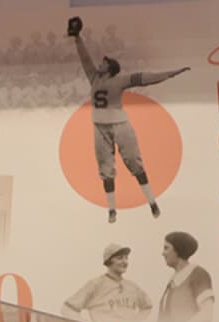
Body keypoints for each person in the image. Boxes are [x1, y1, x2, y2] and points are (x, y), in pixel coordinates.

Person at [68, 16, 187, 223]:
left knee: (134, 162)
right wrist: (77, 37)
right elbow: (84, 58)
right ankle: (112, 210)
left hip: (119, 124)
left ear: (111, 67)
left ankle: (152, 202)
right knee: (105, 168)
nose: (100, 63)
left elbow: (146, 77)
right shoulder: (94, 77)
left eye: (104, 62)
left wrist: (171, 74)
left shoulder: (119, 80)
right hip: (99, 125)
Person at [62, 243, 152, 322]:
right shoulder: (96, 284)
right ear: (108, 261)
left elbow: (147, 306)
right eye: (120, 258)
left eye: (126, 258)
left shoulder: (133, 287)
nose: (125, 262)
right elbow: (67, 309)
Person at [157, 231, 214, 322]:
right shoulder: (172, 281)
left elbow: (207, 314)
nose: (162, 253)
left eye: (166, 248)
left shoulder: (198, 274)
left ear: (178, 250)